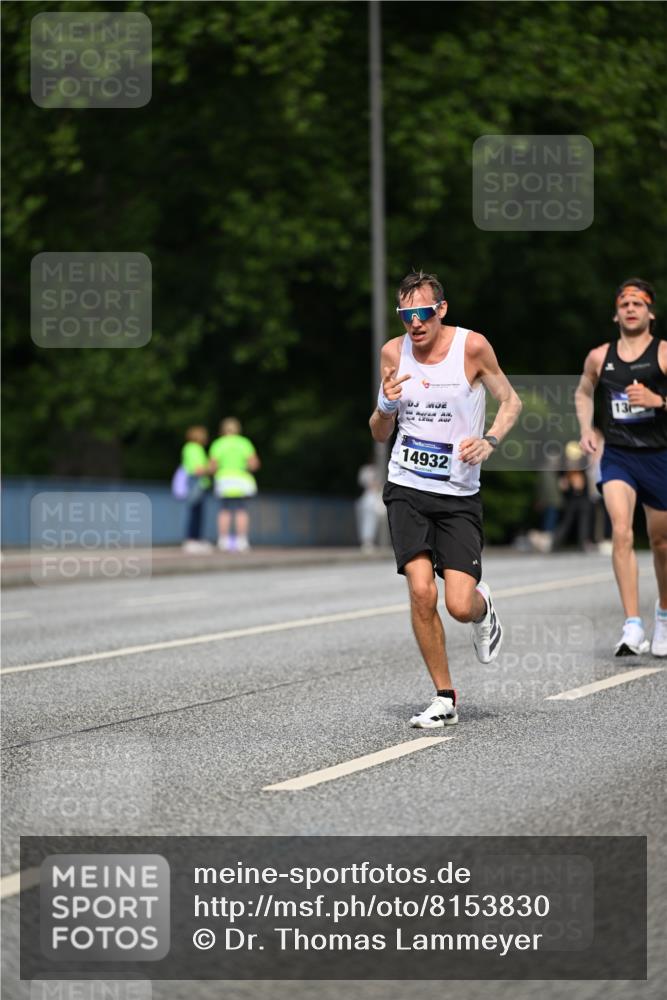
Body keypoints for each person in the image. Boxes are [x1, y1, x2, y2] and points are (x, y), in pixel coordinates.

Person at [370, 270, 522, 728]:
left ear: (441, 310)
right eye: (405, 314)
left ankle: (483, 607)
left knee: (458, 605)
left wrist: (489, 440)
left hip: (458, 493)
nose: (414, 323)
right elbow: (380, 434)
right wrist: (385, 404)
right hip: (407, 486)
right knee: (420, 591)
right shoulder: (393, 353)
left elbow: (510, 401)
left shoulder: (471, 347)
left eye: (422, 313)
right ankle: (444, 696)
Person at [576, 278, 667, 656]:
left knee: (661, 543)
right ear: (616, 313)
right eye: (625, 303)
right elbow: (583, 391)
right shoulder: (600, 356)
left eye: (639, 303)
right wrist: (586, 428)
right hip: (619, 456)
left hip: (660, 455)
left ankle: (663, 615)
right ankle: (632, 623)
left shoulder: (663, 353)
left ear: (650, 312)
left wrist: (657, 400)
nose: (631, 308)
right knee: (621, 529)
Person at [209, 417, 260, 552]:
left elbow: (212, 466)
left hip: (224, 479)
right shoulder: (244, 443)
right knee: (241, 510)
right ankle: (242, 541)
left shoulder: (218, 444)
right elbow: (254, 464)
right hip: (240, 478)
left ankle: (223, 541)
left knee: (224, 510)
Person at [181, 426, 214, 554]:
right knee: (195, 511)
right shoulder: (193, 448)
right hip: (196, 482)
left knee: (198, 512)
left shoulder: (193, 448)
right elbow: (198, 469)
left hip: (200, 483)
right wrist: (210, 469)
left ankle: (196, 539)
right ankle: (191, 539)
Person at [356, 460, 383, 553]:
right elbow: (361, 481)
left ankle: (369, 541)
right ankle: (366, 541)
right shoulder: (365, 470)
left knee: (373, 522)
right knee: (365, 521)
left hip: (375, 498)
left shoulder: (379, 470)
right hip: (367, 498)